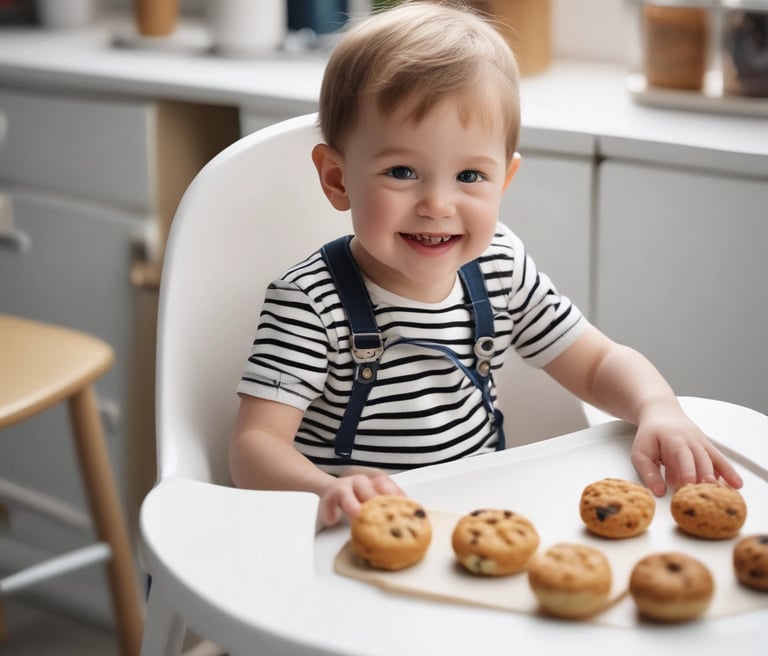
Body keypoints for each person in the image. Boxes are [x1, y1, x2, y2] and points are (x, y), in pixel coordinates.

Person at [230, 0, 742, 528]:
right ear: (338, 179)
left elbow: (596, 364)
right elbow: (255, 445)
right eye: (402, 171)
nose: (438, 204)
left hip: (476, 519)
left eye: (470, 176)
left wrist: (657, 406)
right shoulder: (311, 303)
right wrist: (324, 490)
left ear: (504, 180)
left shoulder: (500, 265)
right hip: (350, 536)